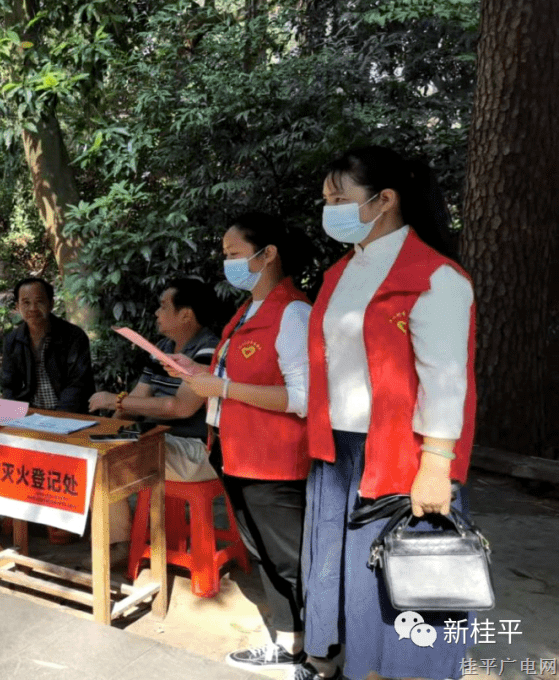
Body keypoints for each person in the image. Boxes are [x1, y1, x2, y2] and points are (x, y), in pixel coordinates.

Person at [296, 146, 477, 680]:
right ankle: (361, 668)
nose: (329, 209)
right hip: (339, 451)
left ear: (386, 200)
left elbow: (447, 379)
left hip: (401, 455)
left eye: (339, 198)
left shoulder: (435, 277)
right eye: (326, 199)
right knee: (355, 576)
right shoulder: (341, 273)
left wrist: (436, 465)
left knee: (411, 580)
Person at [167, 212, 312, 672]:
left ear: (267, 254)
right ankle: (290, 646)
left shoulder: (292, 312)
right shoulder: (247, 313)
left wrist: (223, 388)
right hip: (237, 455)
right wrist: (201, 376)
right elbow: (235, 378)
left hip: (276, 462)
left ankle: (317, 654)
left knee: (291, 563)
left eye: (233, 254)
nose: (226, 263)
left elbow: (303, 398)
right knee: (266, 557)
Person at [89, 278, 224, 546]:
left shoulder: (209, 349)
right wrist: (107, 432)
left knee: (104, 464)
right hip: (161, 440)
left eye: (163, 306)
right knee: (95, 452)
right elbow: (137, 400)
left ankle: (117, 545)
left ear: (185, 315)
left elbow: (180, 407)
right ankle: (118, 541)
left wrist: (115, 400)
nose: (156, 313)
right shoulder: (161, 349)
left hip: (197, 450)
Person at [0, 277, 94, 414]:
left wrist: (57, 418)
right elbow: (9, 385)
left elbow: (77, 384)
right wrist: (15, 415)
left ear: (51, 304)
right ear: (17, 306)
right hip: (31, 415)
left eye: (39, 302)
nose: (33, 308)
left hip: (70, 414)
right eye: (26, 302)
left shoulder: (73, 336)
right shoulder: (12, 340)